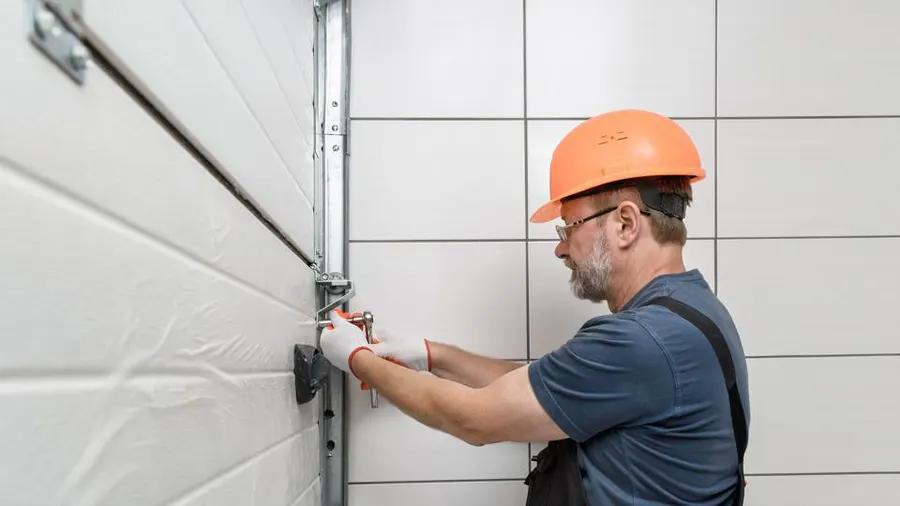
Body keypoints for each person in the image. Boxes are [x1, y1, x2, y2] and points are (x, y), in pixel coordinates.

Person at [320, 109, 750, 505]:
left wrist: (359, 359)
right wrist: (431, 354)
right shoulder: (692, 311)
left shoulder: (641, 341)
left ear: (625, 223)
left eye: (570, 227)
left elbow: (474, 420)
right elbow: (549, 387)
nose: (561, 249)